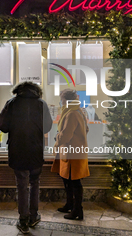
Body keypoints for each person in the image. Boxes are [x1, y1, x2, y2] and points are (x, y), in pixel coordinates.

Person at [0, 81, 53, 234]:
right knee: (35, 182)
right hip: (35, 150)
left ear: (19, 90)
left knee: (22, 184)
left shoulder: (12, 103)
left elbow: (2, 125)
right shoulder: (41, 104)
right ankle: (34, 216)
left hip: (18, 150)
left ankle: (23, 219)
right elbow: (48, 126)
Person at [51, 89, 90, 220]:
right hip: (73, 152)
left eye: (61, 100)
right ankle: (70, 204)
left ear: (65, 101)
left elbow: (66, 135)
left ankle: (77, 210)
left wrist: (57, 137)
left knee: (74, 182)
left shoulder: (71, 113)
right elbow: (87, 129)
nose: (61, 103)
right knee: (68, 180)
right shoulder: (78, 111)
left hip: (72, 153)